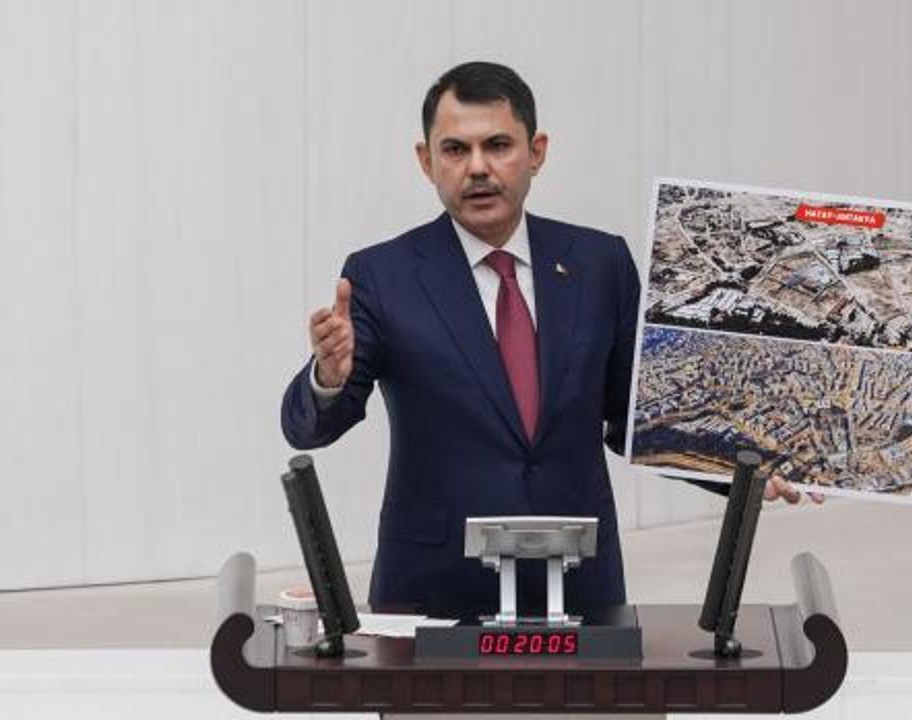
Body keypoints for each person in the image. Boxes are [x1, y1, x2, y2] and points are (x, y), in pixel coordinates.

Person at [281, 61, 811, 618]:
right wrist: (327, 378)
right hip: (434, 588)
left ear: (536, 152)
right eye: (455, 150)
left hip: (580, 580)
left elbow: (639, 418)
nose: (478, 168)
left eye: (498, 145)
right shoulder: (381, 275)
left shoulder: (601, 263)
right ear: (426, 160)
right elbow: (306, 427)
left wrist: (744, 465)